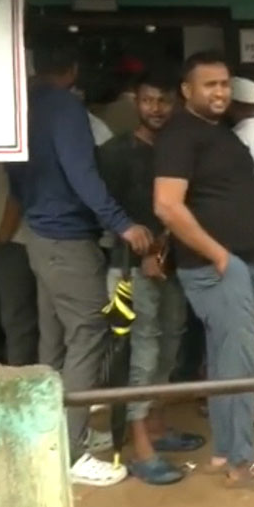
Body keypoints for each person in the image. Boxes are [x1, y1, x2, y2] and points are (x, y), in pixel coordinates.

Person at [9, 36, 153, 487]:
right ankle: (70, 455)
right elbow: (82, 173)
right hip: (67, 236)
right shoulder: (66, 109)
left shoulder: (19, 106)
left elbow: (11, 171)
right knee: (90, 332)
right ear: (72, 70)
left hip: (37, 231)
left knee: (53, 341)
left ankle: (45, 442)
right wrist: (122, 222)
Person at [154, 51, 254, 489]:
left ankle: (225, 451)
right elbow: (166, 205)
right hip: (220, 268)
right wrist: (220, 256)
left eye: (223, 84)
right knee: (240, 366)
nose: (219, 92)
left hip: (237, 265)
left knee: (225, 363)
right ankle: (245, 463)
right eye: (208, 85)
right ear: (186, 90)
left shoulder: (212, 131)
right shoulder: (181, 134)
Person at [99, 70, 205, 485]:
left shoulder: (179, 150)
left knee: (169, 347)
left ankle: (158, 427)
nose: (156, 109)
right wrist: (141, 252)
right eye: (148, 101)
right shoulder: (114, 152)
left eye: (163, 101)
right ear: (135, 104)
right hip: (129, 268)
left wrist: (165, 249)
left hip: (173, 263)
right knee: (140, 355)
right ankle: (139, 447)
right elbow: (107, 214)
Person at [0, 163, 37, 366]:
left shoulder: (11, 142)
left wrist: (3, 236)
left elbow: (19, 191)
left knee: (17, 318)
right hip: (4, 238)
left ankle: (19, 375)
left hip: (15, 239)